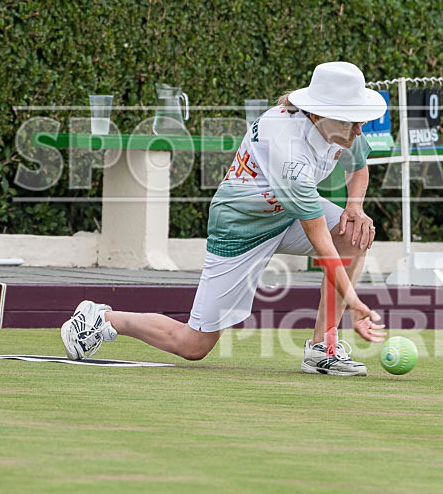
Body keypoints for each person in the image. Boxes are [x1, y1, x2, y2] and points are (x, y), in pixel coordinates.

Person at [60, 61, 388, 376]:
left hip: (286, 214)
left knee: (354, 234)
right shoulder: (288, 146)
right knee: (193, 345)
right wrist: (354, 301)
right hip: (240, 226)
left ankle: (323, 348)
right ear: (317, 114)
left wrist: (355, 207)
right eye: (350, 120)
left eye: (358, 119)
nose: (359, 129)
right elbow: (321, 242)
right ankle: (103, 318)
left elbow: (358, 167)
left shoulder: (341, 128)